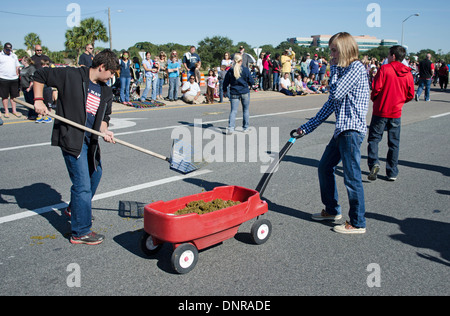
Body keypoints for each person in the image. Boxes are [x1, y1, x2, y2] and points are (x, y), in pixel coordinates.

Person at [33, 49, 119, 245]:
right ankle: (80, 231)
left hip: (91, 141)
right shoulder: (72, 75)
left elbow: (104, 118)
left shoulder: (106, 90)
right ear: (102, 67)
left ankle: (75, 209)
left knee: (95, 175)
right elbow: (40, 75)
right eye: (111, 72)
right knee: (82, 186)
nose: (112, 76)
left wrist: (104, 131)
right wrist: (38, 100)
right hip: (73, 139)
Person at [296, 32, 370, 234]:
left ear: (344, 49)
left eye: (334, 50)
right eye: (331, 50)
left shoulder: (355, 68)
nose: (331, 55)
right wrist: (305, 128)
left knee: (352, 177)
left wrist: (335, 68)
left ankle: (357, 222)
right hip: (342, 131)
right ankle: (331, 210)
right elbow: (329, 106)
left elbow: (335, 92)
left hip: (351, 131)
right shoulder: (345, 71)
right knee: (324, 167)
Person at [367, 45, 415, 182]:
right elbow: (410, 94)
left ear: (393, 56)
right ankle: (392, 171)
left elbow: (376, 88)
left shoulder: (385, 69)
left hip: (381, 110)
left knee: (374, 139)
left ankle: (374, 163)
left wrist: (375, 99)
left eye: (388, 55)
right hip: (396, 112)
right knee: (394, 143)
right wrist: (400, 101)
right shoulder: (408, 73)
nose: (387, 57)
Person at [223, 53, 254, 134]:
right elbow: (251, 81)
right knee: (245, 110)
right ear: (241, 60)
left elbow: (225, 81)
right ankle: (245, 128)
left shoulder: (230, 70)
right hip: (244, 91)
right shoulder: (245, 70)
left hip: (234, 92)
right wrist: (251, 84)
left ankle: (231, 128)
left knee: (233, 111)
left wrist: (224, 90)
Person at [0, 42, 22, 118]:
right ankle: (6, 111)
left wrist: (17, 73)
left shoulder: (14, 56)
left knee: (14, 96)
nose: (8, 51)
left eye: (9, 49)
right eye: (7, 49)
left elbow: (17, 66)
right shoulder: (0, 55)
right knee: (5, 96)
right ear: (4, 48)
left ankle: (14, 110)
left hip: (14, 78)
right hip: (3, 78)